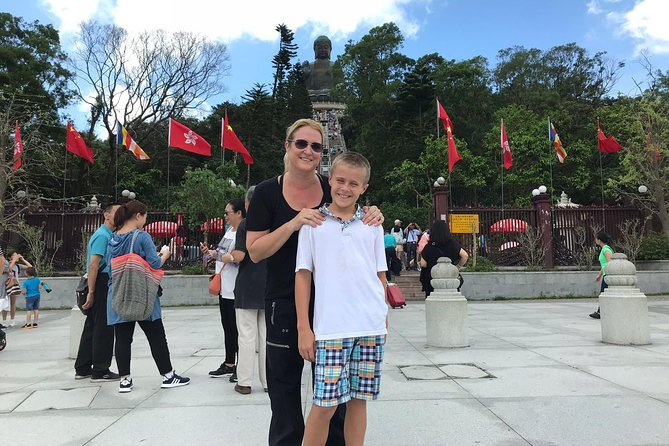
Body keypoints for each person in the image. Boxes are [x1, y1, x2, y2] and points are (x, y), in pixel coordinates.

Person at [246, 118, 383, 446]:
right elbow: (254, 251)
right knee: (284, 390)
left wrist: (373, 213)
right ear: (287, 146)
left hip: (334, 308)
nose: (308, 151)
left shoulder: (330, 184)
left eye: (316, 146)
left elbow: (352, 205)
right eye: (301, 143)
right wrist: (294, 223)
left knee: (336, 398)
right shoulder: (267, 193)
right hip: (284, 301)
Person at [296, 152, 388, 446]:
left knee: (359, 401)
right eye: (340, 180)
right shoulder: (313, 223)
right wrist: (304, 327)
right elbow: (303, 276)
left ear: (364, 188)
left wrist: (384, 314)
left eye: (353, 183)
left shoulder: (373, 224)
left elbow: (379, 273)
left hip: (370, 325)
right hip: (331, 328)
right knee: (324, 405)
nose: (345, 188)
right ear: (329, 180)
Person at [108, 200, 190, 393]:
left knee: (122, 338)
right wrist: (165, 254)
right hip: (142, 292)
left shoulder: (112, 238)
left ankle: (125, 380)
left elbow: (109, 266)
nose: (145, 221)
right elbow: (154, 263)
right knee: (156, 335)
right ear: (138, 216)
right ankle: (168, 376)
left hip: (118, 292)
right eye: (145, 217)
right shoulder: (142, 236)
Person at [74, 203, 121, 381]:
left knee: (92, 326)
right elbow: (94, 265)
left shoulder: (107, 234)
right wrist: (92, 292)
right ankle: (100, 369)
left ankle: (83, 367)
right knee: (104, 326)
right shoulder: (103, 236)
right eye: (117, 213)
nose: (120, 216)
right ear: (106, 215)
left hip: (100, 281)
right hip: (101, 282)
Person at [232, 186, 268, 395]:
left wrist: (227, 256)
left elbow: (240, 255)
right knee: (266, 337)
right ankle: (268, 381)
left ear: (247, 203)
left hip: (247, 286)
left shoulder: (246, 225)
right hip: (269, 285)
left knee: (246, 336)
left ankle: (244, 382)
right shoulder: (272, 223)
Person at [204, 198, 245, 382]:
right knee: (227, 327)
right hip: (224, 286)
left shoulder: (243, 233)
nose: (225, 216)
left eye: (228, 213)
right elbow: (223, 254)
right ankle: (229, 363)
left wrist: (222, 255)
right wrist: (212, 253)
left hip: (236, 287)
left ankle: (241, 366)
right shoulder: (229, 231)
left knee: (238, 330)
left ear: (239, 213)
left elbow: (236, 257)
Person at [419, 220, 469, 298]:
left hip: (433, 280)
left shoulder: (429, 246)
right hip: (449, 277)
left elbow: (423, 264)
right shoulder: (452, 243)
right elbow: (465, 255)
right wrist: (457, 267)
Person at [2, 251, 32, 328]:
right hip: (6, 286)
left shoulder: (18, 266)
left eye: (16, 255)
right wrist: (14, 260)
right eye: (14, 255)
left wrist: (22, 259)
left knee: (13, 303)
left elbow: (30, 267)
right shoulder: (6, 264)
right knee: (5, 304)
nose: (16, 256)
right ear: (10, 257)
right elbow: (9, 269)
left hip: (14, 286)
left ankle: (12, 320)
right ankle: (4, 321)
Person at [589, 232, 614, 319]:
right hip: (605, 274)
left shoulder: (606, 249)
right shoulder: (604, 249)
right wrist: (599, 274)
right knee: (604, 293)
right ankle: (602, 311)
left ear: (599, 240)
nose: (595, 240)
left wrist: (604, 274)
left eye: (596, 238)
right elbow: (604, 265)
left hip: (608, 275)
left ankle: (601, 312)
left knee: (603, 293)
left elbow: (610, 263)